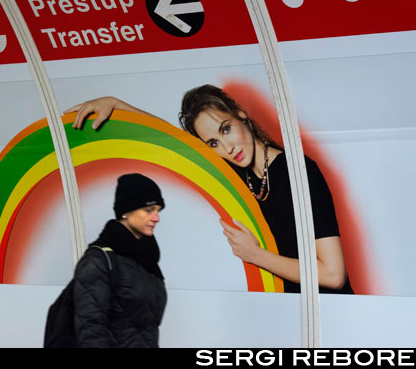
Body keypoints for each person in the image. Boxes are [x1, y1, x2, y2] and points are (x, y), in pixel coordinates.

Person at [65, 85, 353, 294]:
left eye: (226, 129)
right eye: (213, 143)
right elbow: (173, 140)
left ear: (241, 115)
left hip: (329, 318)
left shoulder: (298, 170)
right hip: (284, 313)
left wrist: (255, 256)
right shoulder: (238, 174)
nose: (227, 148)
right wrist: (115, 103)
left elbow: (332, 273)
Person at [73, 173, 167, 347]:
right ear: (125, 211)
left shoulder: (147, 260)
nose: (156, 218)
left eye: (158, 210)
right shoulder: (99, 261)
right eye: (148, 210)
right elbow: (90, 330)